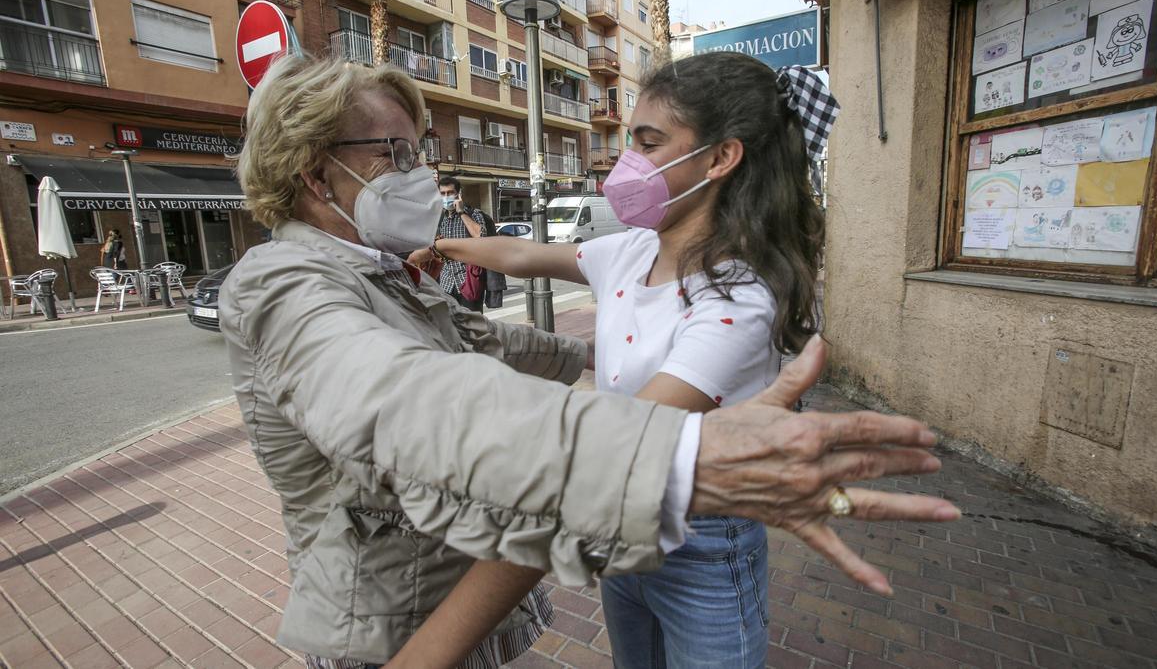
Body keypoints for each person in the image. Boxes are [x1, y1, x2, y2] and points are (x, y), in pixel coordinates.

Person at [222, 53, 959, 669]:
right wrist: (667, 455)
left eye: (648, 140)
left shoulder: (376, 269)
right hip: (395, 620)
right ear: (318, 175)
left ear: (722, 157)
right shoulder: (281, 283)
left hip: (531, 574)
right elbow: (406, 395)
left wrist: (590, 357)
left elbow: (479, 345)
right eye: (397, 154)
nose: (419, 173)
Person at [410, 52, 843, 667]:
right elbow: (528, 256)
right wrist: (444, 245)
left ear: (721, 158)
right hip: (623, 536)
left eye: (649, 142)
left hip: (702, 546)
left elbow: (619, 450)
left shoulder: (737, 301)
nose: (627, 162)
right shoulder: (633, 249)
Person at [435, 176, 489, 312]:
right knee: (452, 325)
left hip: (468, 281)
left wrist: (461, 212)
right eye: (443, 194)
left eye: (450, 193)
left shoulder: (473, 214)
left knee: (473, 327)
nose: (446, 197)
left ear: (458, 194)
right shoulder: (440, 218)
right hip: (446, 283)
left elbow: (480, 236)